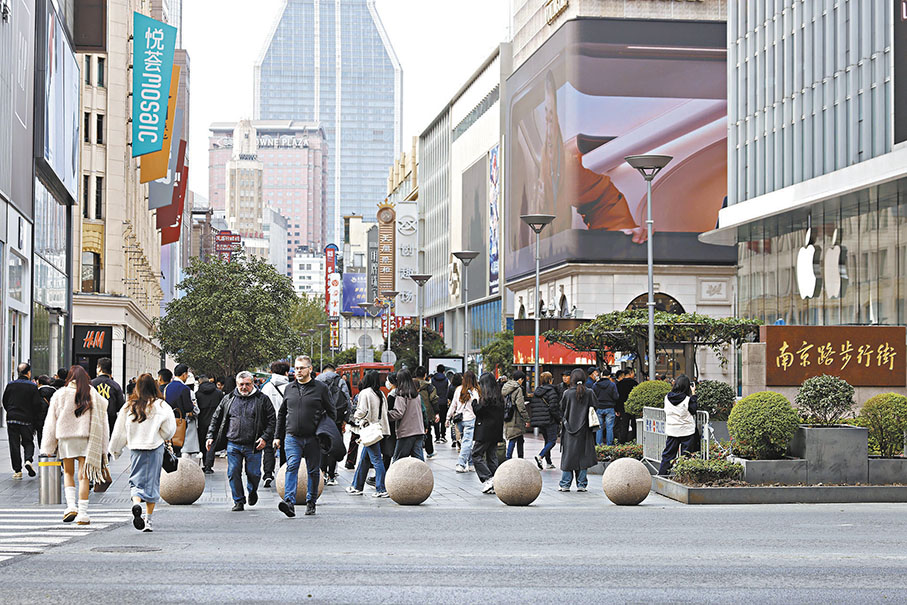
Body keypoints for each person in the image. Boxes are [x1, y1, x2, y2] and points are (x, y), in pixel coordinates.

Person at [41, 365, 109, 524]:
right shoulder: (93, 394)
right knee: (84, 476)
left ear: (69, 378)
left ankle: (71, 506)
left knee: (68, 474)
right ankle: (83, 514)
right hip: (87, 439)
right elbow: (103, 423)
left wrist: (48, 447)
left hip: (66, 439)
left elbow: (51, 422)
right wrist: (104, 448)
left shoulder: (60, 394)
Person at [109, 373, 176, 533]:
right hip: (155, 448)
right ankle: (148, 521)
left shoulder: (129, 406)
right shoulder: (161, 405)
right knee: (152, 483)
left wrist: (115, 450)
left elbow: (119, 432)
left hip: (136, 448)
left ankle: (136, 503)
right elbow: (168, 431)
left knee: (136, 480)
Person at [206, 371, 276, 512]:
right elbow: (216, 418)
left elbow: (272, 421)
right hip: (233, 443)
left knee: (254, 473)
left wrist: (264, 438)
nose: (244, 387)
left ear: (253, 384)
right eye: (241, 384)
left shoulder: (262, 399)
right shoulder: (228, 399)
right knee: (233, 472)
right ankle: (238, 500)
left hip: (254, 444)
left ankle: (252, 490)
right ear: (237, 384)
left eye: (247, 384)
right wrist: (210, 436)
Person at [274, 356, 334, 517]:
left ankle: (311, 502)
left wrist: (325, 431)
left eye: (301, 368)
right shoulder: (289, 388)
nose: (298, 371)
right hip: (292, 436)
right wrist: (277, 436)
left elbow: (331, 412)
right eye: (296, 368)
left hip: (314, 438)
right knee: (292, 466)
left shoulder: (320, 388)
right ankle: (289, 502)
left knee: (313, 470)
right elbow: (282, 413)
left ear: (310, 369)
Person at [347, 370, 390, 497]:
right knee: (364, 459)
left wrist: (354, 417)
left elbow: (361, 411)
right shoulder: (381, 394)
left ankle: (381, 489)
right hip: (380, 430)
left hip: (370, 430)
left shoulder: (365, 393)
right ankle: (357, 486)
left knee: (376, 460)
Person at [2, 363, 43, 479]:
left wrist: (10, 411)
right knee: (28, 442)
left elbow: (4, 401)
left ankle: (17, 471)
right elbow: (37, 405)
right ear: (28, 373)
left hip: (12, 418)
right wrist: (35, 419)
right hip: (26, 419)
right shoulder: (32, 386)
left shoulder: (10, 385)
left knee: (14, 444)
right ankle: (28, 460)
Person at [559, 368, 596, 492]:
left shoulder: (567, 393)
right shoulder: (589, 392)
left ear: (572, 379)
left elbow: (562, 409)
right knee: (583, 456)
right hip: (585, 430)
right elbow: (595, 406)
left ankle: (565, 484)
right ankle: (581, 484)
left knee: (569, 456)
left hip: (569, 429)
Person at [315, 363, 350, 485]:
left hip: (321, 419)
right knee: (334, 446)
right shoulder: (340, 381)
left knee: (321, 445)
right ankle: (331, 476)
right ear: (334, 371)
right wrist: (345, 419)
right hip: (336, 419)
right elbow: (347, 400)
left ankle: (322, 473)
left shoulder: (317, 380)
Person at [658, 375, 699, 475]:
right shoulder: (687, 399)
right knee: (686, 456)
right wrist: (694, 394)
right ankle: (684, 476)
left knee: (668, 455)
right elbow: (693, 410)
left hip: (672, 430)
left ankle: (663, 474)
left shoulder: (667, 397)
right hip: (686, 431)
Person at [472, 372, 504, 494]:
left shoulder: (486, 398)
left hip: (485, 432)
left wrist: (474, 402)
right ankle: (497, 482)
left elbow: (478, 411)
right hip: (496, 432)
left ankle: (488, 478)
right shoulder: (499, 396)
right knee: (492, 456)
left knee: (476, 454)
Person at [260, 361, 291, 487]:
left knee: (268, 448)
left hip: (269, 421)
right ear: (286, 372)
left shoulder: (266, 387)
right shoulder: (289, 387)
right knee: (285, 448)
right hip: (285, 422)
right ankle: (284, 474)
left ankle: (268, 473)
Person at [387, 369, 425, 462]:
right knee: (419, 461)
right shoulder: (416, 395)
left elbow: (398, 413)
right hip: (419, 431)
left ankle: (394, 477)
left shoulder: (401, 395)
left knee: (398, 461)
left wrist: (386, 415)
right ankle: (423, 476)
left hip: (406, 432)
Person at [446, 370, 478, 473]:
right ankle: (460, 464)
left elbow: (453, 405)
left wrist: (448, 417)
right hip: (470, 419)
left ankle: (472, 464)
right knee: (467, 443)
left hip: (459, 419)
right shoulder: (475, 391)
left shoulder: (458, 389)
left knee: (465, 442)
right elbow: (477, 406)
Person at [529, 372, 561, 470]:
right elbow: (553, 407)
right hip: (550, 420)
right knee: (552, 441)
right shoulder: (552, 391)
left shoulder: (537, 392)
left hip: (541, 421)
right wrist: (558, 418)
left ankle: (549, 462)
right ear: (550, 380)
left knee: (547, 440)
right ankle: (540, 456)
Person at [158, 367, 194, 457]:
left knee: (168, 445)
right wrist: (192, 404)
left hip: (167, 420)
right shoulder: (184, 388)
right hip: (179, 422)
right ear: (184, 374)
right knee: (178, 445)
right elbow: (188, 407)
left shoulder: (167, 387)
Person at [195, 375, 223, 474]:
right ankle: (208, 466)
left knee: (203, 443)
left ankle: (205, 463)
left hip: (202, 422)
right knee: (212, 443)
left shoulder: (197, 394)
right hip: (215, 422)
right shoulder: (218, 393)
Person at [91, 357, 125, 433]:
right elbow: (121, 405)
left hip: (94, 420)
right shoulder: (116, 386)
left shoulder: (91, 384)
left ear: (99, 368)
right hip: (111, 420)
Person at [502, 370, 530, 459]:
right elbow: (520, 406)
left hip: (507, 415)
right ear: (520, 379)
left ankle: (520, 457)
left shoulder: (505, 387)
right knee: (513, 438)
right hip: (516, 417)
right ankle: (509, 457)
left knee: (518, 438)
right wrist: (527, 419)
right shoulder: (518, 389)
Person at [414, 367, 438, 459]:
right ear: (425, 375)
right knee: (427, 432)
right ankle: (429, 451)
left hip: (413, 412)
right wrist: (436, 412)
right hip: (426, 412)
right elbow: (434, 399)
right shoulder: (429, 386)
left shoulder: (411, 384)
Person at [592, 367, 619, 446]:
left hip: (599, 407)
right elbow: (616, 397)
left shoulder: (595, 385)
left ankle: (599, 445)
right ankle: (609, 445)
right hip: (609, 408)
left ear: (602, 375)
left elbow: (593, 396)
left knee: (599, 428)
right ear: (609, 376)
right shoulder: (612, 385)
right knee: (609, 427)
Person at [616, 368, 639, 444]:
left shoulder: (619, 384)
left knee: (623, 424)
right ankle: (634, 439)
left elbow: (617, 397)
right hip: (633, 407)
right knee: (634, 423)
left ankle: (622, 441)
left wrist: (617, 409)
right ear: (631, 373)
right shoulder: (634, 383)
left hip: (622, 407)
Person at [430, 365, 450, 444]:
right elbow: (448, 391)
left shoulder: (432, 380)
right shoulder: (446, 380)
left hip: (435, 402)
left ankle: (437, 437)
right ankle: (443, 436)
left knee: (436, 419)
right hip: (444, 402)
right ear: (443, 371)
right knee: (443, 419)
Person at [36, 375, 56, 441]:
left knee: (40, 435)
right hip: (52, 419)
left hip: (40, 419)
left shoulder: (37, 392)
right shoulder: (55, 392)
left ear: (40, 383)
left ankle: (42, 450)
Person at [447, 372, 463, 447]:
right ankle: (460, 439)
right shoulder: (462, 387)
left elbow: (449, 397)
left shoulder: (451, 387)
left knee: (453, 424)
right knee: (460, 424)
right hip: (460, 407)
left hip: (453, 407)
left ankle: (454, 438)